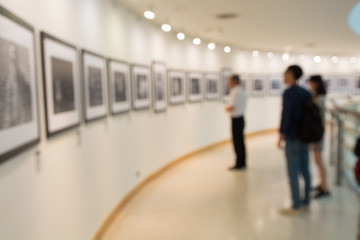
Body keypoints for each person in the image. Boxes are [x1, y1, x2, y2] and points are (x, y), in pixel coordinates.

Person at [278, 65, 312, 215]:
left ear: (291, 74)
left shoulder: (288, 93)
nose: (283, 76)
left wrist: (281, 134)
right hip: (305, 136)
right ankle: (307, 201)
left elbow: (286, 115)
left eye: (285, 73)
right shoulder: (306, 92)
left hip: (293, 137)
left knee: (293, 172)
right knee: (305, 170)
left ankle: (296, 204)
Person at [309, 75, 330, 199]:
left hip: (318, 133)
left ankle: (324, 187)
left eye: (311, 83)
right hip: (317, 132)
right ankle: (322, 184)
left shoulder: (319, 98)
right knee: (317, 160)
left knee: (319, 160)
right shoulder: (317, 97)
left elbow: (316, 116)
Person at [226, 75, 247, 170]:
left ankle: (239, 164)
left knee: (237, 142)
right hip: (241, 118)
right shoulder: (241, 90)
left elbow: (231, 107)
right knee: (241, 142)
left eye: (229, 81)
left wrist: (226, 108)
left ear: (234, 81)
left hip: (236, 119)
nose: (228, 83)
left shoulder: (235, 91)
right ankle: (242, 162)